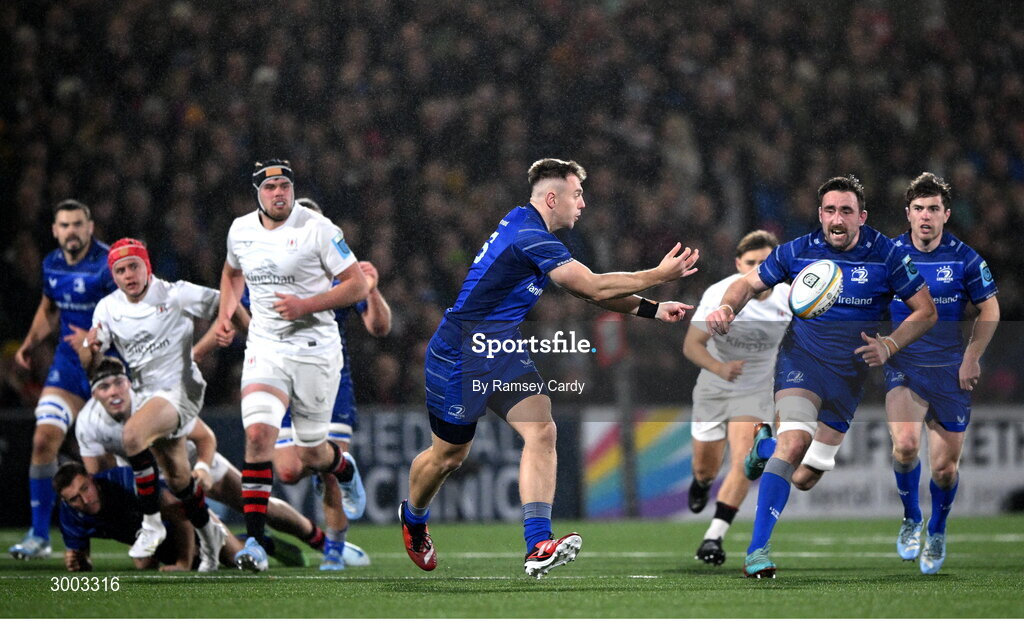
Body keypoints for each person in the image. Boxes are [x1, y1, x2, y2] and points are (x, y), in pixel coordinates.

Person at [402, 158, 699, 578]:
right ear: (553, 197)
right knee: (448, 456)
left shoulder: (531, 228)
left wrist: (651, 309)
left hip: (500, 349)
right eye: (577, 194)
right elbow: (593, 285)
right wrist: (658, 274)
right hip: (460, 354)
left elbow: (590, 296)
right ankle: (413, 517)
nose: (583, 202)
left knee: (542, 429)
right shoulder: (529, 235)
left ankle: (538, 543)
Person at [705, 175, 937, 579]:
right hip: (802, 362)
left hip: (848, 378)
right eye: (829, 210)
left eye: (846, 211)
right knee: (794, 442)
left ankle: (764, 450)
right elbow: (746, 284)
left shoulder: (886, 255)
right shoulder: (797, 251)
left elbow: (926, 311)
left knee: (806, 476)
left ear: (861, 217)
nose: (837, 218)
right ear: (819, 214)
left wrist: (890, 345)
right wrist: (727, 308)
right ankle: (757, 551)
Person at [216, 160, 370, 572]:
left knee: (311, 454)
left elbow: (357, 284)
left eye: (284, 186)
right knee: (258, 438)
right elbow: (231, 273)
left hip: (316, 350)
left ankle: (342, 465)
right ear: (258, 194)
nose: (278, 193)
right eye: (270, 188)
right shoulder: (240, 230)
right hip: (266, 349)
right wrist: (224, 314)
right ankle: (253, 542)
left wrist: (305, 305)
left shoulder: (319, 229)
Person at [82, 238, 242, 571]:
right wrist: (92, 346)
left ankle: (151, 523)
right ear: (113, 274)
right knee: (180, 480)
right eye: (120, 270)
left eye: (134, 266)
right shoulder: (108, 308)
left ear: (147, 266)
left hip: (181, 389)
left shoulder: (175, 293)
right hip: (148, 397)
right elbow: (95, 356)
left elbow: (224, 301)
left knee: (131, 437)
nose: (128, 275)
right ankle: (211, 537)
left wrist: (248, 332)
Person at [76, 357, 326, 567]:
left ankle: (325, 542)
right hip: (149, 479)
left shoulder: (153, 402)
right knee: (228, 557)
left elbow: (204, 437)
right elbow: (101, 481)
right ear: (94, 393)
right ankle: (259, 545)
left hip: (191, 459)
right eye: (104, 387)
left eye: (118, 382)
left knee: (256, 504)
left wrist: (203, 468)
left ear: (129, 383)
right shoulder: (88, 424)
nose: (113, 392)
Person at [884, 173, 999, 574]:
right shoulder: (890, 253)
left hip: (950, 371)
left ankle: (937, 527)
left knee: (944, 469)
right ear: (908, 214)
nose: (926, 216)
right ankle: (912, 517)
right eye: (919, 209)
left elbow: (991, 309)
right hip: (905, 368)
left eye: (933, 209)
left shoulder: (965, 258)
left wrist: (973, 356)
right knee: (905, 446)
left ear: (946, 214)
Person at [269, 197, 390, 569]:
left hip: (330, 379)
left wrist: (370, 288)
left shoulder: (341, 276)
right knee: (288, 471)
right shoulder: (269, 271)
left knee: (323, 470)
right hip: (284, 378)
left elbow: (380, 327)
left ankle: (334, 549)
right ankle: (341, 464)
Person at [9, 200, 116, 560]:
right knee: (43, 441)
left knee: (117, 455)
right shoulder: (52, 264)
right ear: (55, 230)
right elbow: (49, 307)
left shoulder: (106, 265)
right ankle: (39, 534)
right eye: (64, 225)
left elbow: (127, 312)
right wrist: (29, 344)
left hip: (108, 369)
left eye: (77, 224)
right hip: (68, 370)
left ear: (90, 228)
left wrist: (92, 337)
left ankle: (134, 525)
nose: (71, 231)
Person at [683, 230, 791, 566]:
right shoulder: (720, 294)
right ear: (738, 265)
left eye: (765, 262)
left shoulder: (792, 297)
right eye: (751, 263)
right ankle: (701, 483)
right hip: (714, 387)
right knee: (706, 469)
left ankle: (713, 537)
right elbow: (691, 346)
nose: (760, 269)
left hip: (756, 390)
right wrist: (720, 367)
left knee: (747, 462)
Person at [54, 461, 240, 572]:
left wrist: (183, 562)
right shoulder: (70, 515)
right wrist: (80, 563)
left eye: (85, 488)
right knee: (145, 565)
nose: (85, 500)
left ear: (92, 479)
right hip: (157, 540)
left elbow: (180, 513)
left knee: (235, 559)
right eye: (74, 499)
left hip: (191, 517)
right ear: (65, 501)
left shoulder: (125, 482)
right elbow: (82, 558)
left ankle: (263, 542)